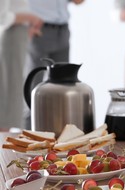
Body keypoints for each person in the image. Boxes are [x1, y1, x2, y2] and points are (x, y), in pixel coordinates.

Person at [24, 0, 85, 129]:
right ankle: (29, 135)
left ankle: (59, 134)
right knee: (34, 83)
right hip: (38, 28)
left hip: (62, 29)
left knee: (63, 84)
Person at [0, 0, 42, 131]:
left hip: (20, 31)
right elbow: (2, 15)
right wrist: (29, 18)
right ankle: (4, 148)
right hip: (13, 31)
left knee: (14, 92)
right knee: (11, 93)